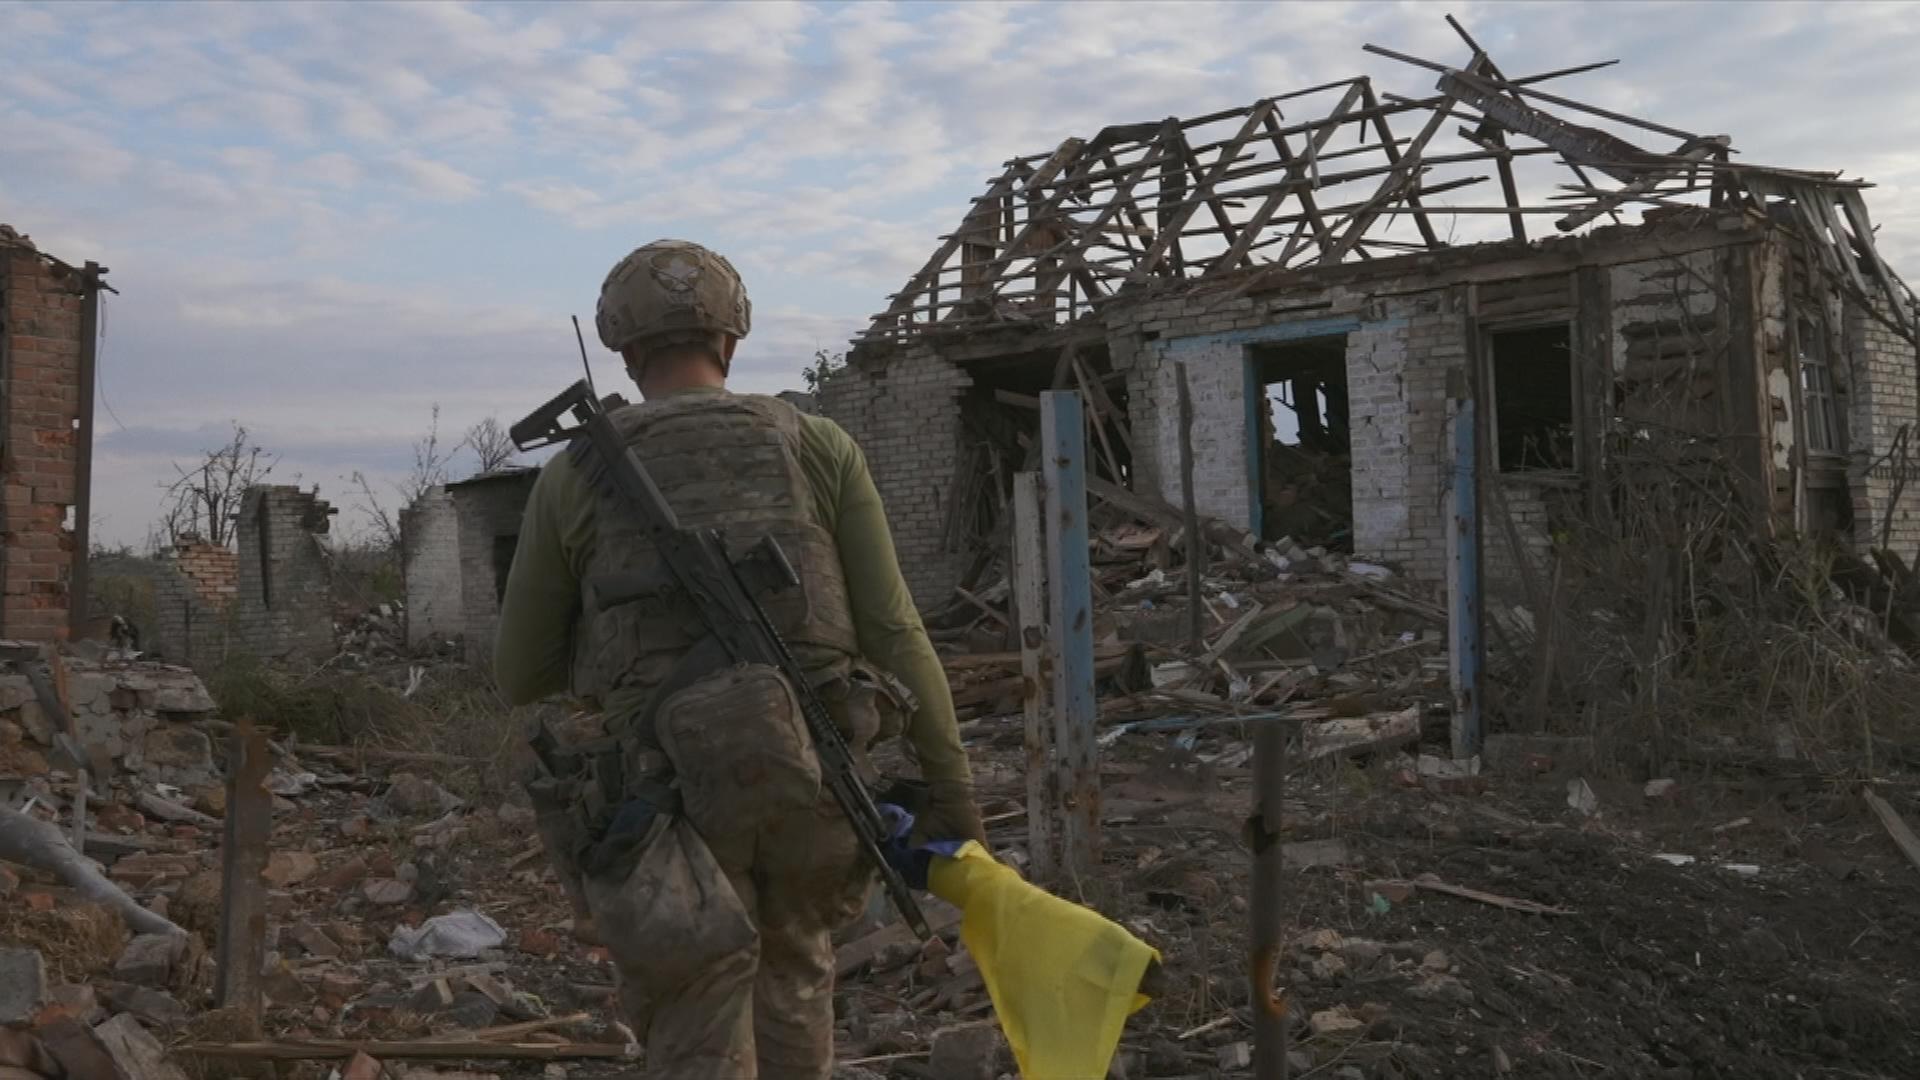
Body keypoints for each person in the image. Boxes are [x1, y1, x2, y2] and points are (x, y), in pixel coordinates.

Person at [494, 239, 985, 1080]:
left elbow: (520, 672)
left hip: (664, 798)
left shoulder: (575, 477)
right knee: (794, 971)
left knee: (695, 1003)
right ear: (732, 339)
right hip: (813, 777)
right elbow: (895, 632)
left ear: (624, 346)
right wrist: (955, 795)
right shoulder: (819, 445)